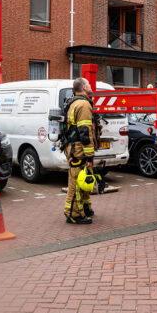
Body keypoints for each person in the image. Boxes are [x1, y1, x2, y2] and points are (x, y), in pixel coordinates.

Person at [63, 77, 97, 224]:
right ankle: (73, 214)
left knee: (82, 180)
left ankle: (85, 208)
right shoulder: (83, 105)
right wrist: (90, 156)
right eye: (89, 84)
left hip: (74, 147)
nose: (90, 85)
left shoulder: (75, 101)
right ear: (83, 87)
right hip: (78, 150)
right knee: (76, 183)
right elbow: (85, 132)